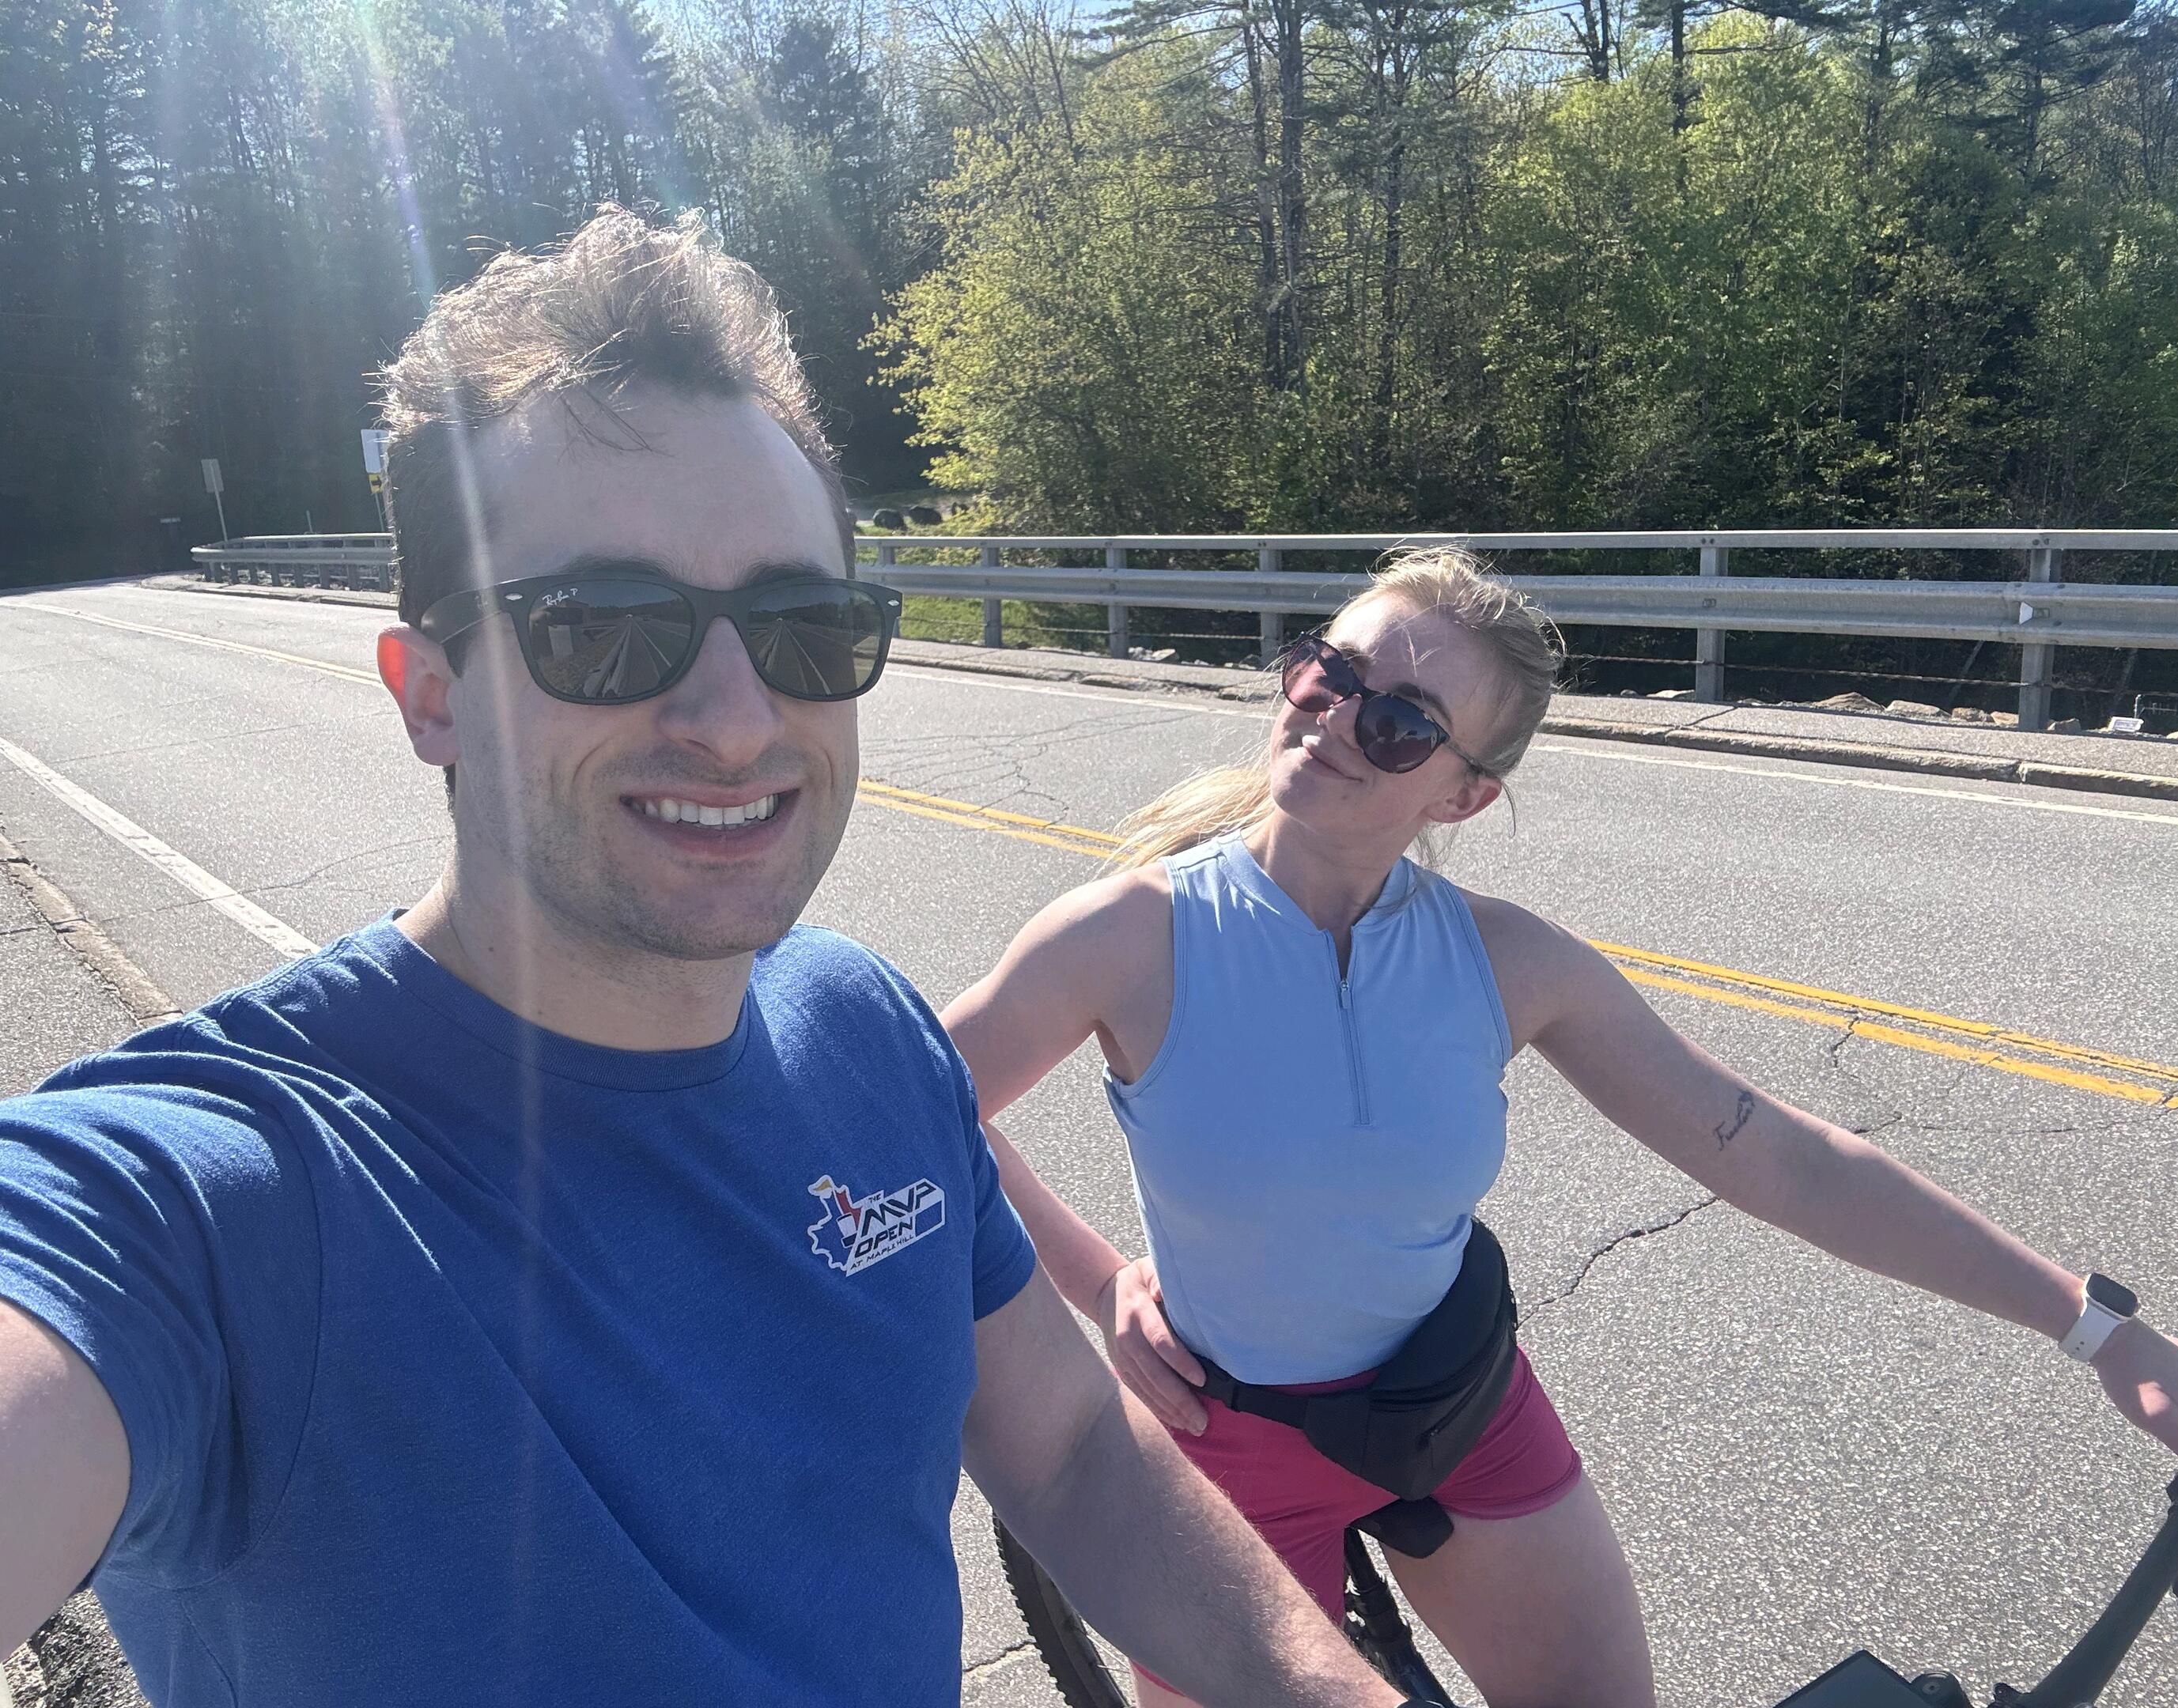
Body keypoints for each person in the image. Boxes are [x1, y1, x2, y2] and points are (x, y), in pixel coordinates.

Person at [0, 209, 1415, 1708]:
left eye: (804, 626)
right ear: (428, 697)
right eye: (604, 630)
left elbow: (1068, 1451)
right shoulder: (207, 1195)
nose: (737, 719)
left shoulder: (866, 1030)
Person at [942, 546, 2178, 1708]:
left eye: (1404, 722)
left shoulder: (1507, 963)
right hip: (1220, 1448)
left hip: (1457, 1403)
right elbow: (916, 1112)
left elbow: (1778, 1152)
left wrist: (2104, 1333)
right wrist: (1101, 1277)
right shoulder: (1131, 934)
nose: (1340, 721)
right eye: (1328, 674)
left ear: (1460, 795)